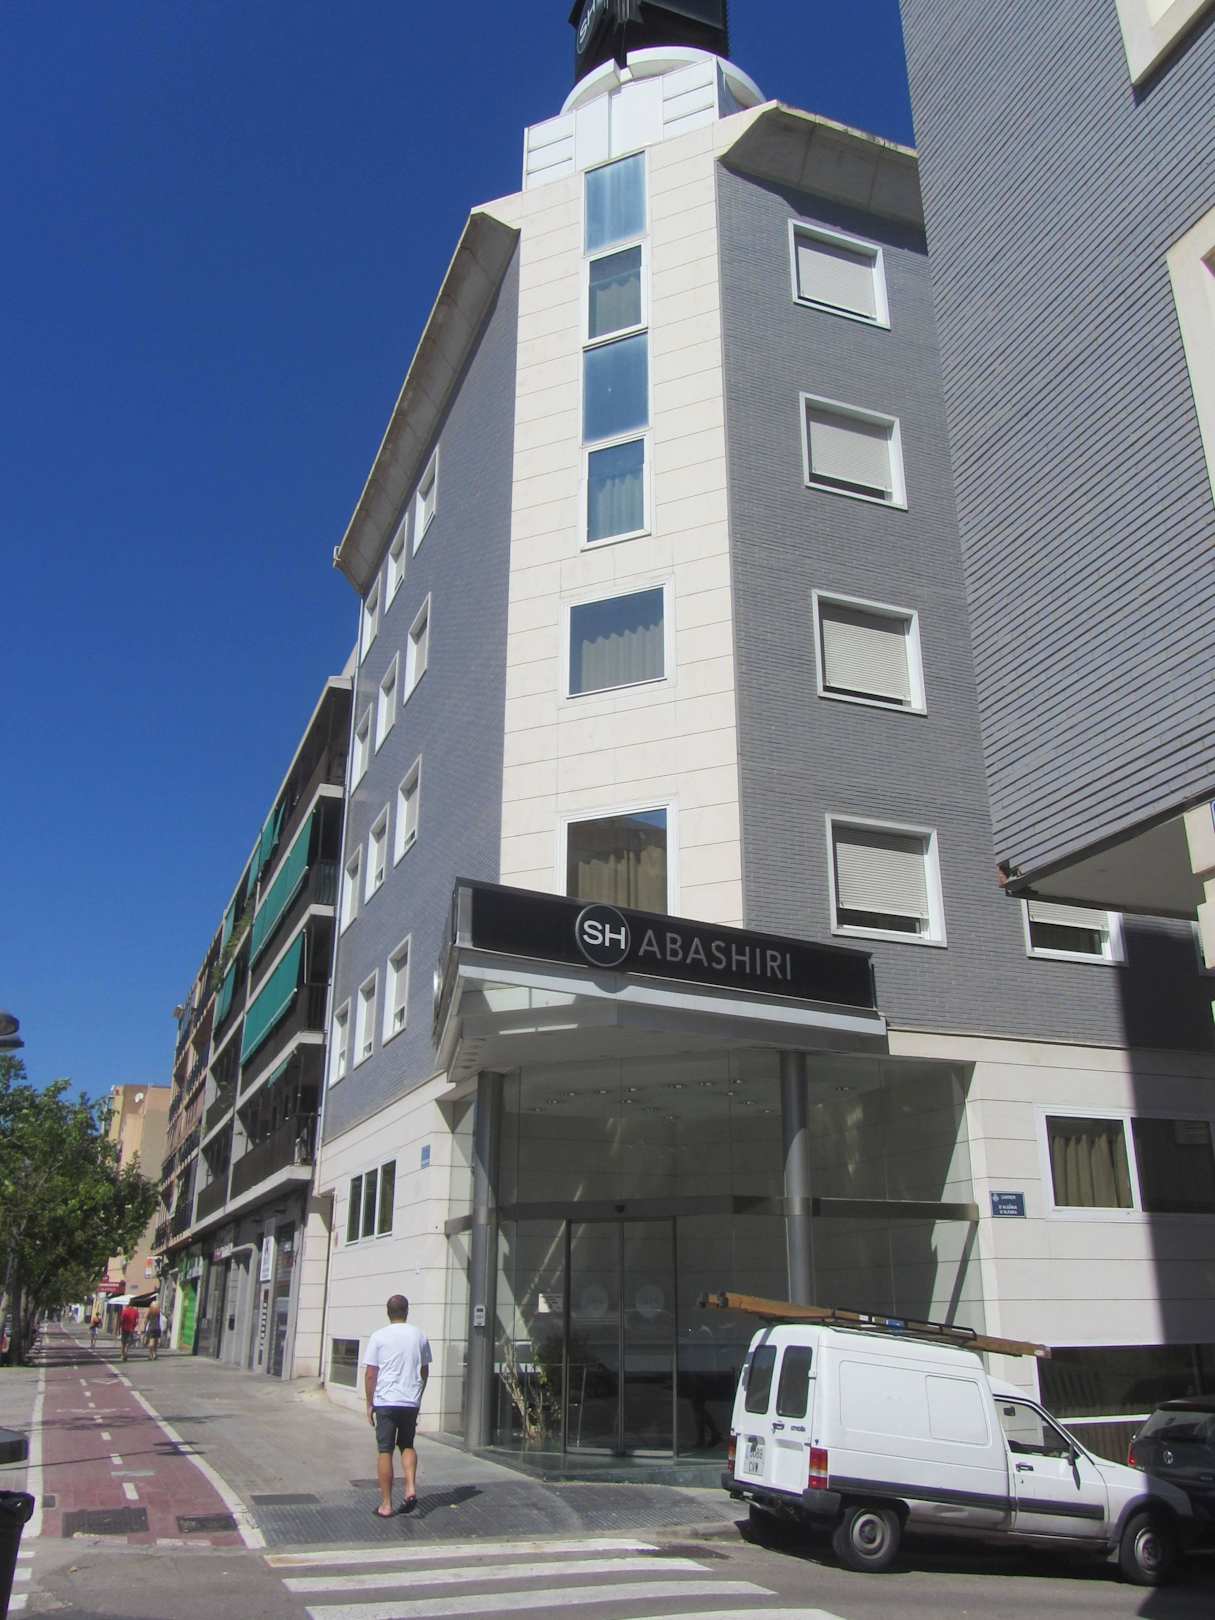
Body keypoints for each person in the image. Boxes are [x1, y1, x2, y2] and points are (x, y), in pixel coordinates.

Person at [364, 1294, 431, 1518]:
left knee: (385, 1450)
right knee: (407, 1444)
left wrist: (369, 1403)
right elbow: (424, 1370)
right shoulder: (419, 1335)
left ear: (388, 1312)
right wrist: (418, 1394)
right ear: (407, 1311)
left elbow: (371, 1373)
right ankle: (410, 1487)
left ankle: (386, 1505)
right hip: (410, 1401)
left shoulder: (378, 1336)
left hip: (386, 1401)